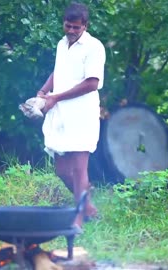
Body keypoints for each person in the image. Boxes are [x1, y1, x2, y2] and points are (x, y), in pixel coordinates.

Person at [36, 2, 106, 229]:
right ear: (63, 24)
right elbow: (59, 70)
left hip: (82, 113)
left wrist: (56, 97)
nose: (72, 31)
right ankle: (87, 205)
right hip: (60, 113)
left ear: (85, 26)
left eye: (77, 27)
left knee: (78, 169)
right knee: (62, 170)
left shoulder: (94, 47)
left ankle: (78, 218)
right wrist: (44, 91)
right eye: (68, 26)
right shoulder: (61, 44)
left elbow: (92, 83)